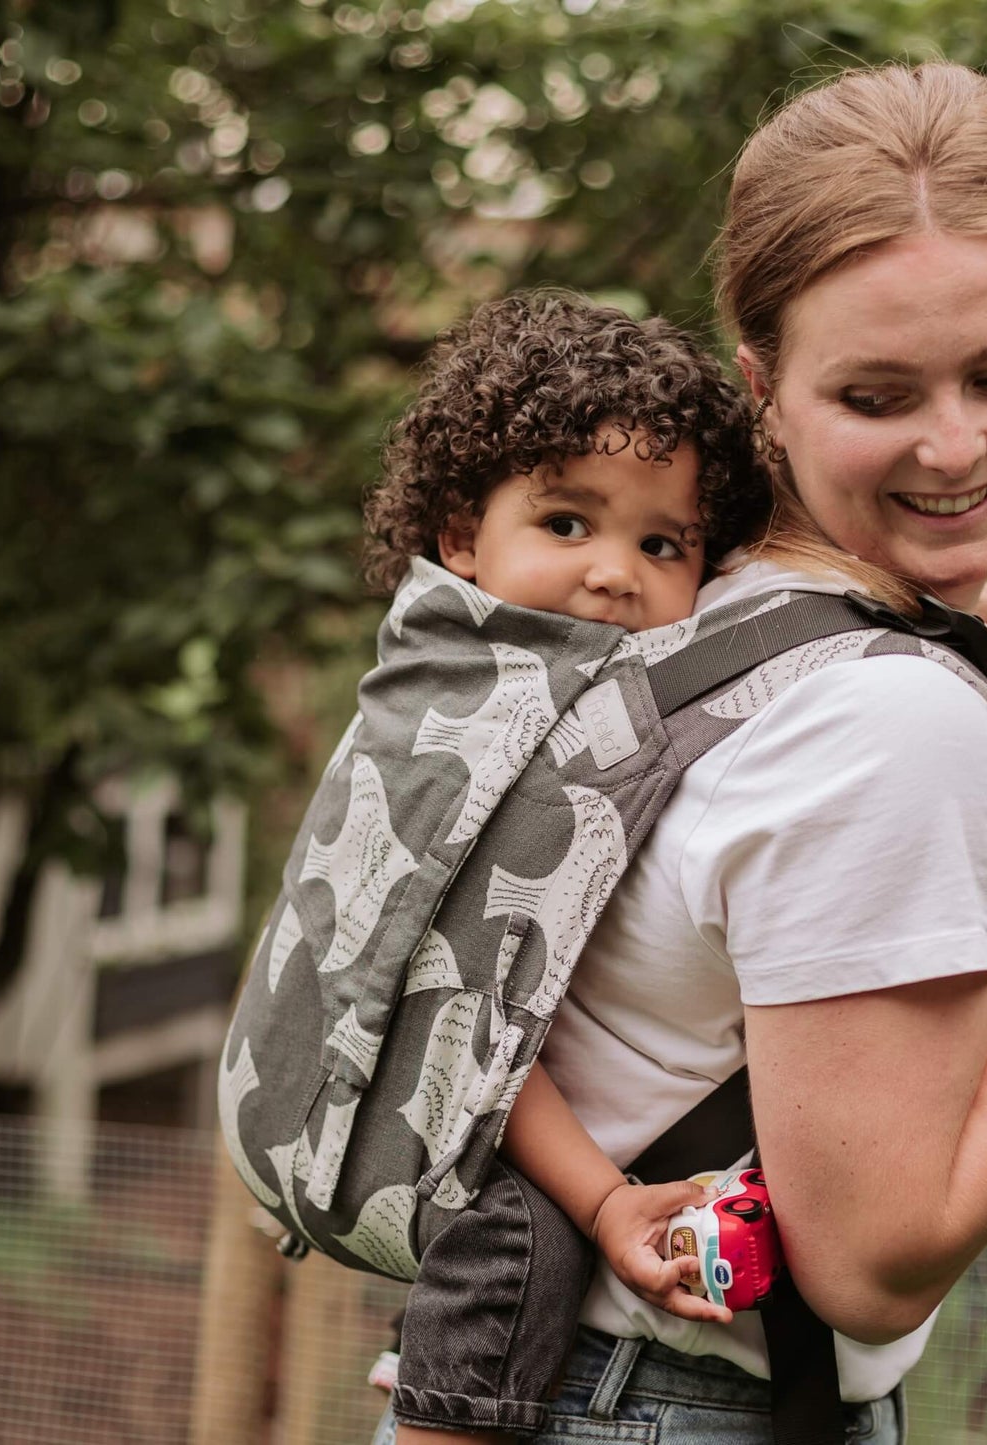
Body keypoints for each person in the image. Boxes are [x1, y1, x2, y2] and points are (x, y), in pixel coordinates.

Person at [375, 60, 987, 1444]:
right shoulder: (884, 721)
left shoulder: (692, 601)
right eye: (875, 395)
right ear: (762, 387)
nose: (954, 444)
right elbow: (873, 1261)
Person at [359, 289, 774, 1443]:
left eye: (661, 542)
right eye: (565, 523)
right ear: (457, 536)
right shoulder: (486, 712)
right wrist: (599, 1196)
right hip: (471, 1113)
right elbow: (469, 1021)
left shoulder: (596, 689)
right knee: (513, 1235)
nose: (611, 571)